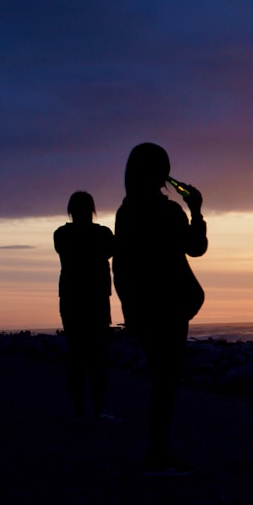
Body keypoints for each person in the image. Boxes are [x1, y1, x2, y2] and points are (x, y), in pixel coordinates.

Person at [113, 143, 207, 477]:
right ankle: (158, 457)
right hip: (170, 305)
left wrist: (129, 311)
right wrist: (196, 210)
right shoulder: (167, 212)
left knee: (161, 379)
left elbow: (121, 267)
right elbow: (196, 248)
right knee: (167, 382)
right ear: (160, 173)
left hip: (145, 307)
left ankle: (158, 453)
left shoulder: (126, 212)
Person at [53, 191, 115, 420]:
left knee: (77, 356)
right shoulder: (102, 234)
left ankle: (80, 408)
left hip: (72, 300)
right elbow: (111, 250)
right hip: (96, 300)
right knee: (96, 357)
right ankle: (98, 408)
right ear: (92, 209)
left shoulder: (61, 234)